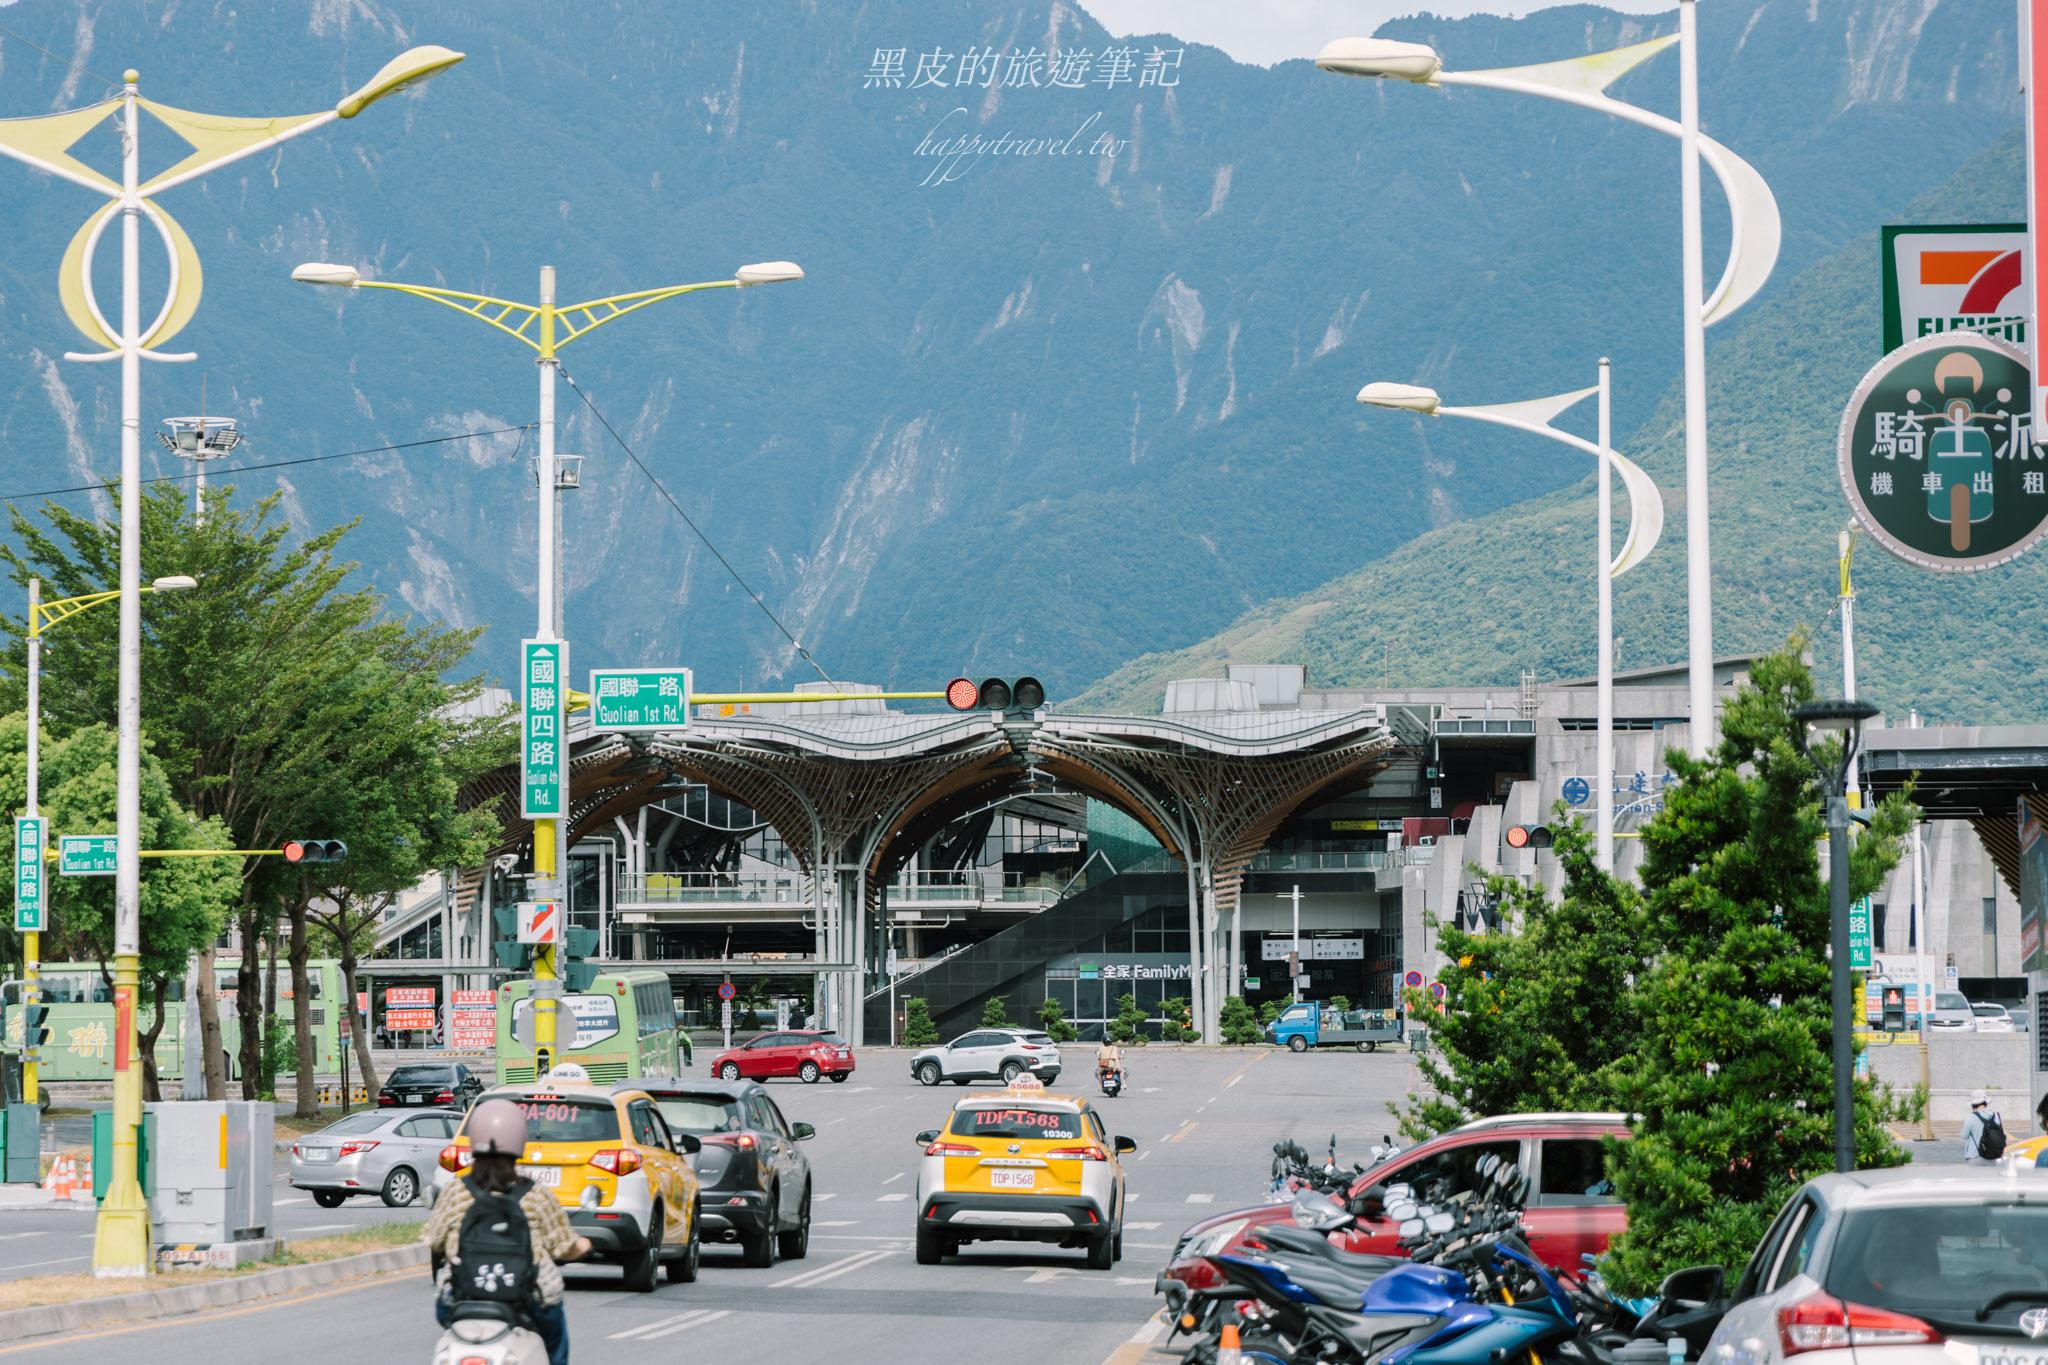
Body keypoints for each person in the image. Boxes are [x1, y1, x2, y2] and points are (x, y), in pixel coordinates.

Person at [422, 1100, 589, 1365]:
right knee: (556, 1342)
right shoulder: (536, 1195)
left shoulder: (454, 1192)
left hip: (461, 1297)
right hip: (529, 1299)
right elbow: (564, 1247)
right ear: (519, 1143)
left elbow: (436, 1239)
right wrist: (583, 1245)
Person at [1963, 1090, 2007, 1164]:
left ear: (1973, 1105)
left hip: (1975, 1156)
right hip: (1994, 1155)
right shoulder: (1995, 1116)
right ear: (1985, 1103)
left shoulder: (1970, 1117)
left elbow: (1964, 1135)